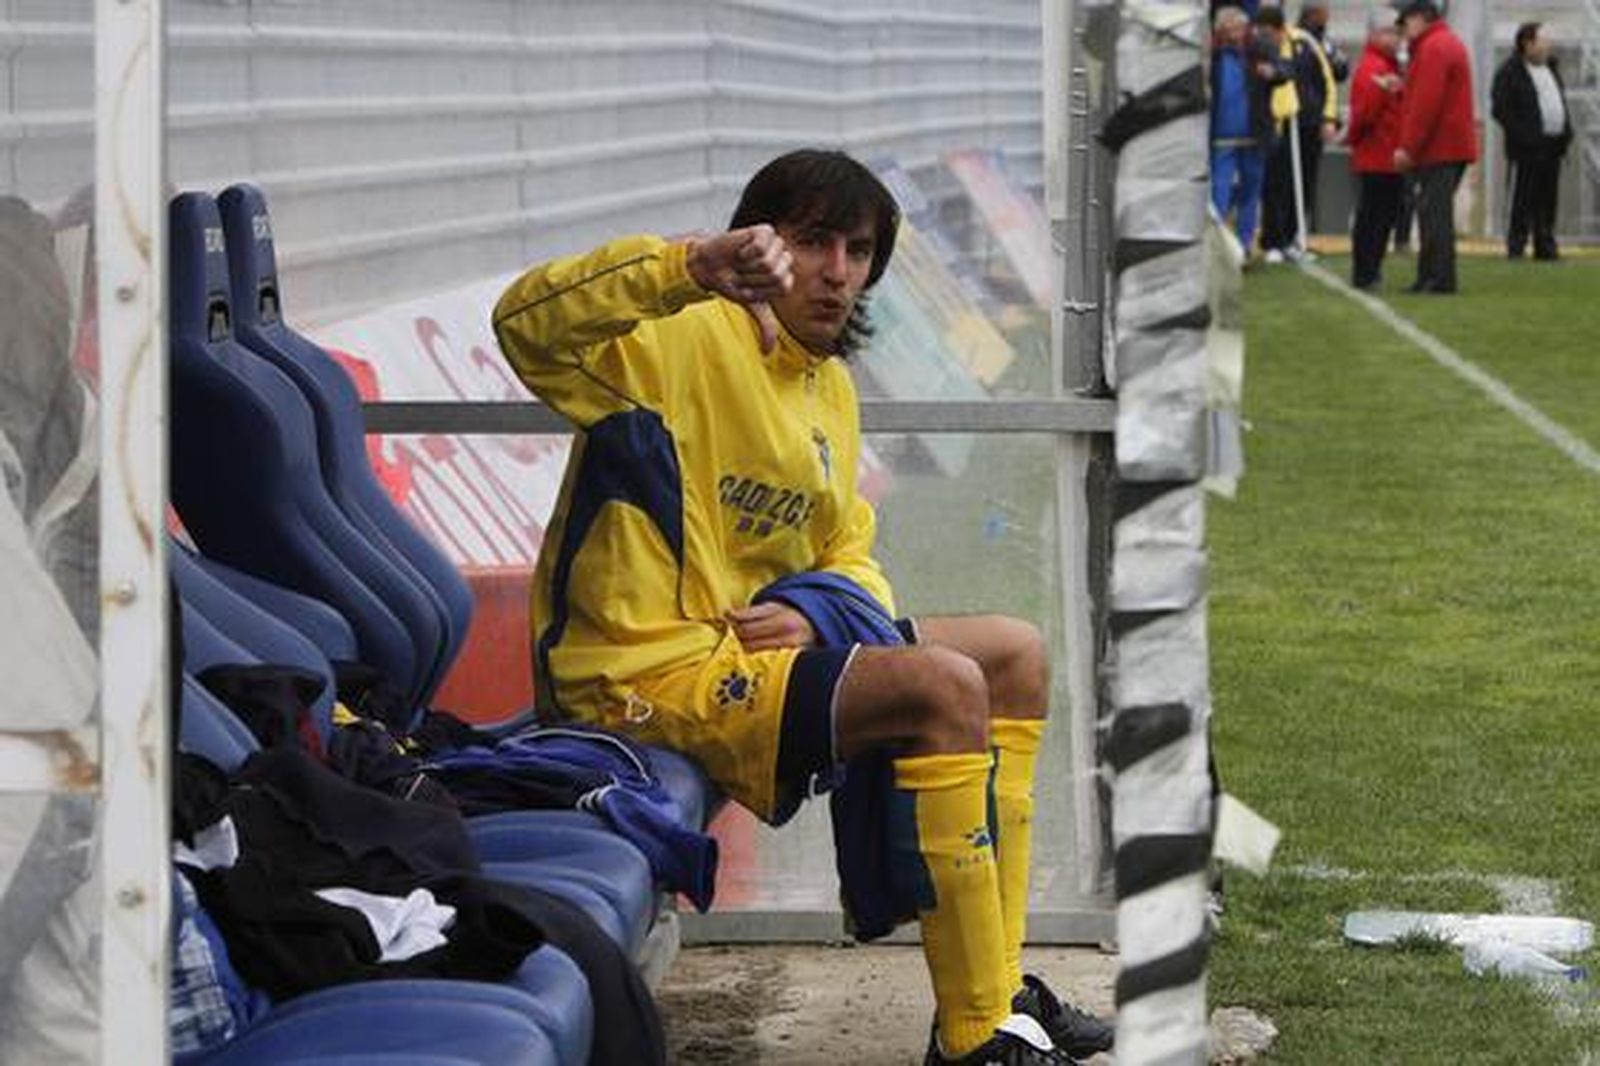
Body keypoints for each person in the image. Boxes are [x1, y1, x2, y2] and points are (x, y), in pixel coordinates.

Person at [491, 150, 1113, 1066]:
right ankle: (976, 1043)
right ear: (760, 243)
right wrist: (685, 265)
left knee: (1013, 654)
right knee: (941, 688)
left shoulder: (830, 387)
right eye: (813, 241)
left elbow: (846, 551)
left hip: (749, 660)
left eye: (857, 250)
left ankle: (997, 989)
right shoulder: (681, 339)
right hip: (642, 676)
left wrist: (822, 613)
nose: (837, 271)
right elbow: (523, 326)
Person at [1394, 0, 1477, 294]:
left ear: (1422, 18)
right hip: (1447, 145)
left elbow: (1426, 104)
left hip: (1440, 147)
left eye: (1406, 20)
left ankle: (1440, 279)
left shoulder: (1434, 48)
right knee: (1431, 214)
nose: (1403, 27)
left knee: (1435, 215)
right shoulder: (1441, 43)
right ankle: (1429, 277)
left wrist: (1408, 148)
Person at [1211, 6, 1292, 255]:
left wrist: (1274, 72)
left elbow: (1287, 70)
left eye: (1238, 27)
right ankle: (1219, 247)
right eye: (1229, 28)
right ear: (1220, 30)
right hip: (1221, 136)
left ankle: (1245, 246)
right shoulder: (1211, 55)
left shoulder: (1259, 48)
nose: (1235, 33)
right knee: (1219, 193)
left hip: (1254, 134)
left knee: (1250, 193)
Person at [1491, 21, 1574, 260]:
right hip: (1526, 149)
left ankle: (1545, 244)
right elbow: (1501, 109)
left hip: (1553, 146)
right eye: (1543, 40)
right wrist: (1524, 135)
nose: (1548, 45)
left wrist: (1566, 131)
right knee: (1522, 198)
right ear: (1527, 44)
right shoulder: (1510, 71)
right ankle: (1516, 245)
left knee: (1548, 199)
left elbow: (1558, 101)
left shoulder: (1551, 68)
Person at [1346, 14, 1406, 289]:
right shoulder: (1375, 67)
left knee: (1381, 217)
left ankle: (1371, 270)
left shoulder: (1387, 66)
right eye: (1388, 33)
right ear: (1372, 36)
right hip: (1376, 155)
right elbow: (1365, 114)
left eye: (1396, 33)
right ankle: (1365, 272)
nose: (1394, 39)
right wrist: (1352, 138)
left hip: (1387, 154)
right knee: (1373, 217)